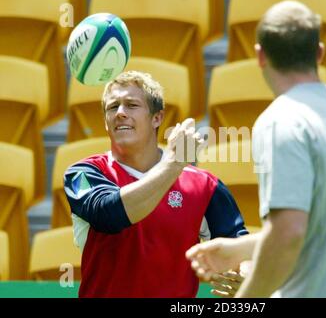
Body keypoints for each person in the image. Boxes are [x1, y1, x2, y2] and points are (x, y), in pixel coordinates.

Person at [186, 0, 326, 298]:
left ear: (260, 56)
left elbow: (289, 233)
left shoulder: (281, 121)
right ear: (320, 52)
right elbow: (322, 231)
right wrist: (240, 249)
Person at [63, 71, 248, 297]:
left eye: (131, 105)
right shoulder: (82, 174)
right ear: (105, 122)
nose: (120, 113)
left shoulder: (203, 185)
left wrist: (245, 273)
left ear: (157, 118)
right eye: (113, 107)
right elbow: (110, 215)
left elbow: (238, 245)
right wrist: (173, 164)